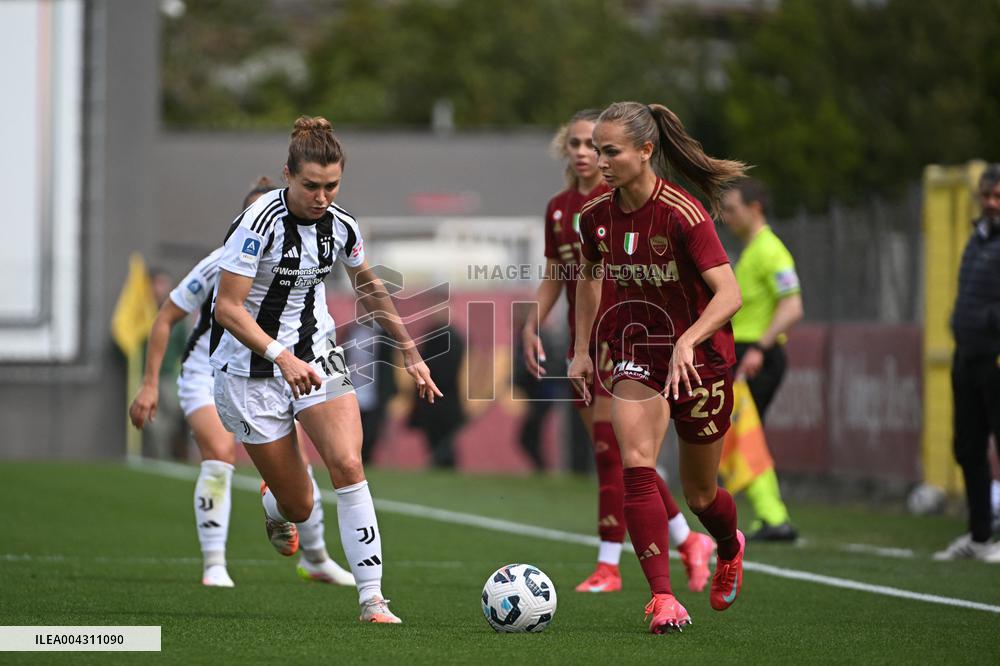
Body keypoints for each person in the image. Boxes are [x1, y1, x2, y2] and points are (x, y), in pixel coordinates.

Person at [210, 116, 441, 623]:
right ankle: (277, 505)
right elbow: (227, 309)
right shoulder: (257, 224)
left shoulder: (343, 225)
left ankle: (372, 599)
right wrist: (280, 356)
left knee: (349, 465)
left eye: (331, 186)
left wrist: (411, 351)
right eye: (311, 185)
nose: (321, 196)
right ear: (288, 174)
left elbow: (370, 287)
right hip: (251, 370)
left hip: (315, 352)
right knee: (300, 506)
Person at [569, 101, 746, 633]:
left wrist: (690, 340)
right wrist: (581, 349)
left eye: (611, 151)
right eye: (597, 150)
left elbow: (729, 294)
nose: (600, 161)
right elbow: (589, 277)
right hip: (637, 350)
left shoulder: (683, 213)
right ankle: (664, 599)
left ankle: (728, 545)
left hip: (700, 360)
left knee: (700, 495)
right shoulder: (594, 216)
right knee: (637, 463)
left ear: (646, 152)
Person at [129, 177, 355, 588]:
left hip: (276, 370)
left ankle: (316, 556)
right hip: (208, 373)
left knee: (301, 468)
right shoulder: (220, 264)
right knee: (219, 454)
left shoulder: (304, 250)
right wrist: (148, 384)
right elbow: (165, 318)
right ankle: (215, 563)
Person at [524, 109, 714, 595]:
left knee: (616, 453)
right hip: (583, 339)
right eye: (579, 145)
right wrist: (533, 323)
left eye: (599, 146)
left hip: (626, 338)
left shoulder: (640, 204)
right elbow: (561, 275)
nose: (588, 154)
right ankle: (686, 540)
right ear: (566, 151)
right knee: (622, 457)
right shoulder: (564, 210)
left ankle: (610, 563)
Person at [720, 178, 802, 541]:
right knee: (745, 435)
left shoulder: (770, 250)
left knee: (745, 436)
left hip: (756, 356)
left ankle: (774, 516)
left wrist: (760, 349)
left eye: (732, 209)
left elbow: (793, 305)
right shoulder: (752, 250)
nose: (726, 217)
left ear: (755, 209)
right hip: (747, 354)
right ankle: (768, 516)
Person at [934, 164, 1000, 562]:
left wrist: (988, 321)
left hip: (995, 356)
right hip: (968, 355)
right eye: (986, 196)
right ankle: (979, 537)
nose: (991, 203)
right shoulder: (978, 237)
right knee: (968, 447)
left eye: (998, 198)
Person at [408, 306, 465, 468]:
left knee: (444, 439)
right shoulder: (435, 336)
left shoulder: (451, 338)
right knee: (435, 437)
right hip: (433, 398)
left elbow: (445, 368)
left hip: (443, 398)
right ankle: (440, 464)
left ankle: (443, 464)